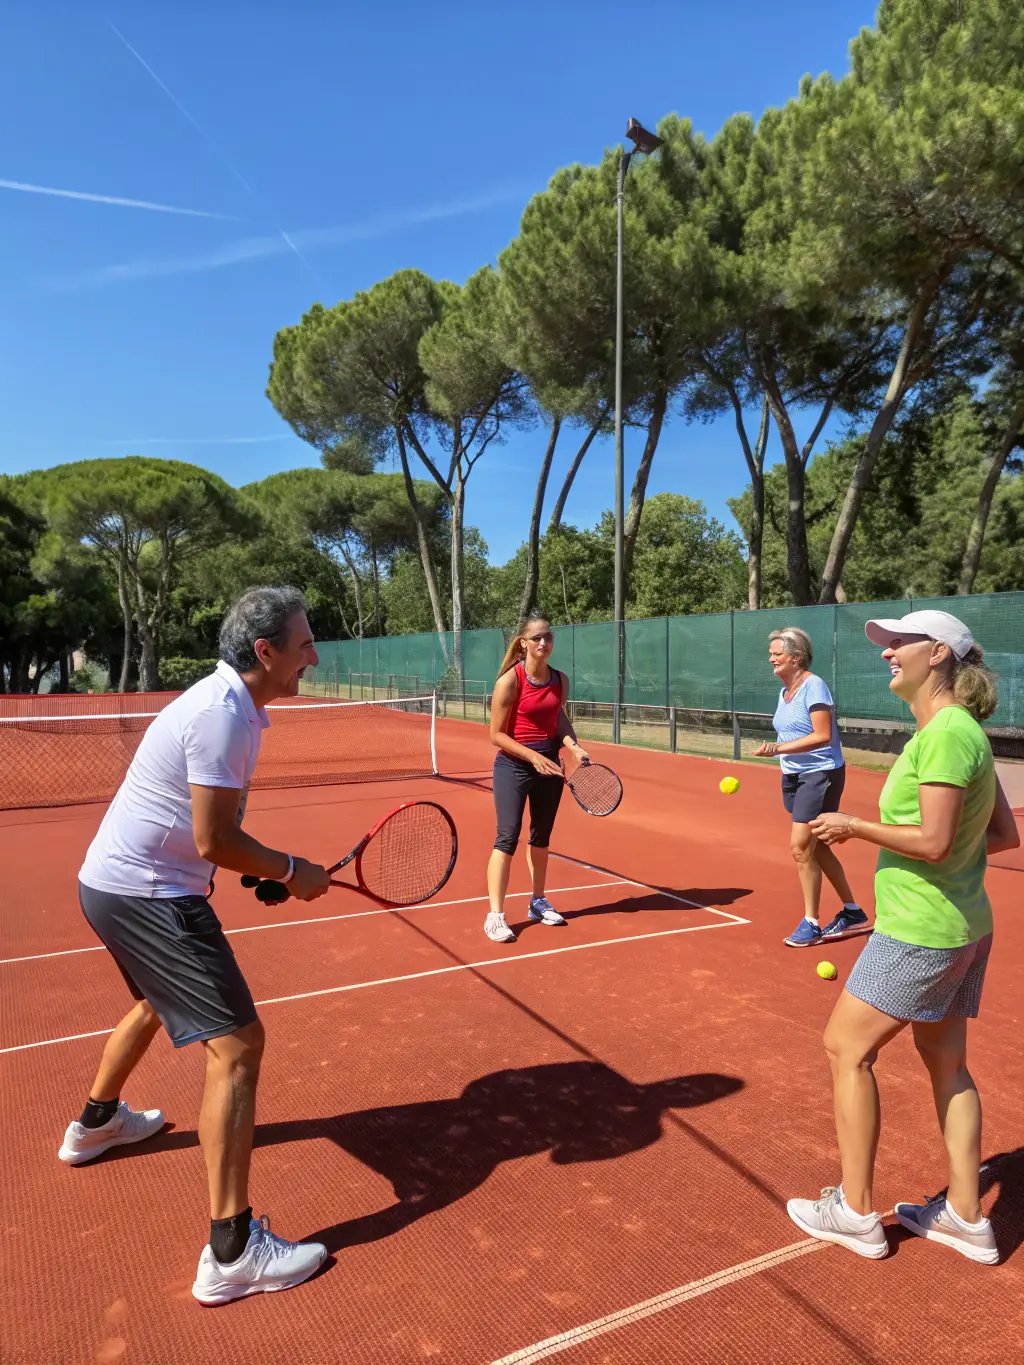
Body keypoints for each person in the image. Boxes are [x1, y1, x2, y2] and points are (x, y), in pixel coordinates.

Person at [60, 586, 334, 1305]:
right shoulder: (223, 717)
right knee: (238, 1044)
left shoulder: (230, 706)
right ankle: (233, 1249)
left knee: (156, 999)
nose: (314, 656)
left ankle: (95, 1123)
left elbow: (210, 836)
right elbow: (215, 838)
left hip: (109, 882)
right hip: (149, 892)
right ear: (266, 651)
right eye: (304, 644)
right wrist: (288, 870)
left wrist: (261, 869)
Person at [786, 610, 1020, 1264]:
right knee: (947, 1062)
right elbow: (1002, 835)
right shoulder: (962, 730)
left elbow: (939, 841)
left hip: (920, 929)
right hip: (964, 926)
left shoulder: (944, 735)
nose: (887, 653)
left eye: (898, 642)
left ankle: (857, 1211)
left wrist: (855, 826)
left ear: (938, 653)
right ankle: (967, 1216)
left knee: (845, 1047)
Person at [754, 627, 868, 947]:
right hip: (793, 775)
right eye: (772, 653)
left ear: (796, 657)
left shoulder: (814, 686)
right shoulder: (785, 691)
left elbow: (822, 735)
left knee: (800, 847)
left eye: (777, 653)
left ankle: (811, 922)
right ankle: (853, 911)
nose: (771, 658)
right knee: (817, 844)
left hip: (820, 773)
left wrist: (777, 749)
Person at [483, 613, 588, 944]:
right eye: (538, 637)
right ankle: (495, 916)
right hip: (513, 767)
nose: (544, 642)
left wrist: (573, 747)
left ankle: (537, 901)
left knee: (541, 839)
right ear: (523, 643)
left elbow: (559, 721)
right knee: (507, 838)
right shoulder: (509, 682)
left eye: (549, 637)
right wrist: (533, 757)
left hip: (550, 769)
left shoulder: (560, 680)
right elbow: (496, 735)